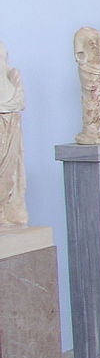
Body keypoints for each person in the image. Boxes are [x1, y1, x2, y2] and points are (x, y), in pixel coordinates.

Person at [0, 42, 28, 227]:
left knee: (8, 172)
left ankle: (3, 211)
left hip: (10, 119)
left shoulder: (12, 76)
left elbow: (19, 102)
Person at [74, 27, 100, 145]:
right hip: (90, 71)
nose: (99, 50)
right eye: (93, 45)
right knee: (92, 101)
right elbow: (79, 55)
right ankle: (92, 132)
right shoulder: (81, 35)